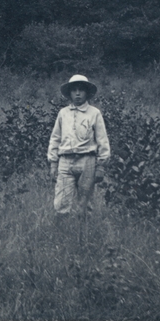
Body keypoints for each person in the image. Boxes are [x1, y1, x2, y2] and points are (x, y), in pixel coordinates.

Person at [47, 74, 111, 217]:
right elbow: (55, 138)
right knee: (61, 202)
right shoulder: (63, 113)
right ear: (69, 93)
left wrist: (101, 166)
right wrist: (53, 163)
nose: (77, 93)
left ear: (87, 92)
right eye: (74, 90)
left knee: (85, 203)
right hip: (65, 161)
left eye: (81, 90)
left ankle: (84, 234)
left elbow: (102, 140)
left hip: (87, 160)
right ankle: (62, 234)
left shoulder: (94, 113)